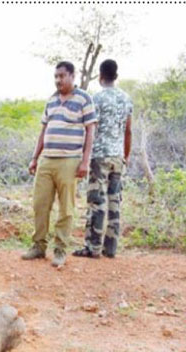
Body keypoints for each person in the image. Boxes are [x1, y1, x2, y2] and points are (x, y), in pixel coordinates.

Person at [23, 61, 97, 268]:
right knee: (40, 205)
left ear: (72, 76)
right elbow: (43, 131)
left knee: (66, 208)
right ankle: (38, 246)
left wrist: (85, 161)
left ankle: (60, 250)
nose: (58, 80)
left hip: (69, 160)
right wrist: (35, 157)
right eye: (56, 76)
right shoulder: (52, 100)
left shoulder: (84, 99)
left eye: (62, 76)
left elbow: (90, 131)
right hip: (47, 158)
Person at [73, 59, 133, 259]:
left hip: (99, 155)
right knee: (114, 202)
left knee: (97, 202)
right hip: (118, 156)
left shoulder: (96, 99)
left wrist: (84, 156)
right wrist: (125, 156)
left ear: (100, 76)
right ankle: (111, 247)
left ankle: (93, 247)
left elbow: (91, 129)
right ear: (116, 76)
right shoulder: (126, 99)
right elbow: (128, 131)